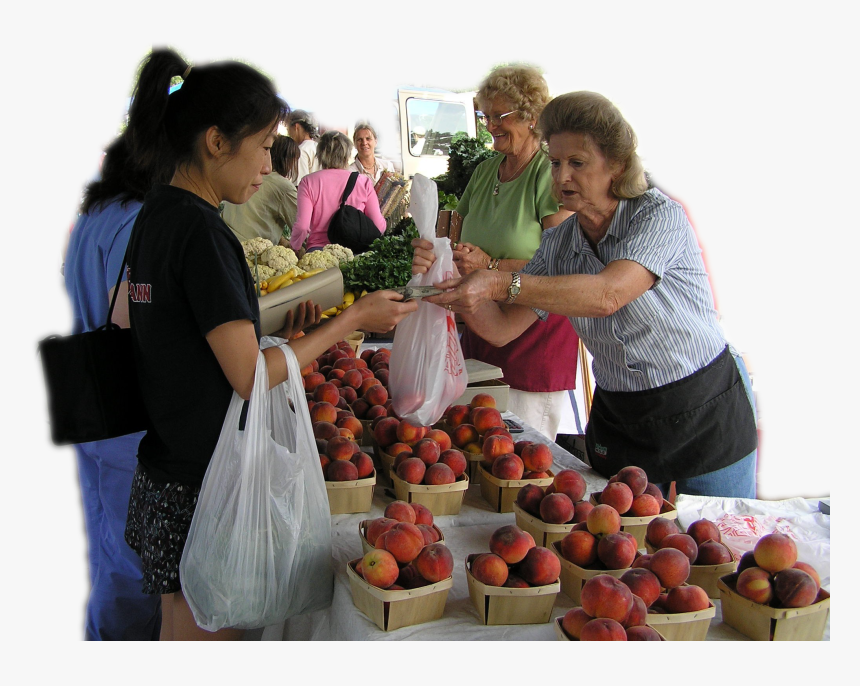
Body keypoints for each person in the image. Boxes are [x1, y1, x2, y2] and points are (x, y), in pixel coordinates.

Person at [122, 49, 418, 641]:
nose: (268, 165)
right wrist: (353, 316)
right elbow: (247, 377)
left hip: (165, 470)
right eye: (261, 146)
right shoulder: (205, 233)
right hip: (208, 484)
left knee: (178, 629)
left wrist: (272, 331)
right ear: (214, 142)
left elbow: (169, 333)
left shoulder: (157, 214)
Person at [413, 91, 758, 499]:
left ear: (616, 164)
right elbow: (503, 328)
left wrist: (496, 281)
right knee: (628, 547)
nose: (561, 177)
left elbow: (608, 294)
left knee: (719, 544)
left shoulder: (656, 215)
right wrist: (451, 281)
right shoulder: (559, 244)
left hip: (702, 406)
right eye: (555, 162)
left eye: (577, 163)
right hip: (624, 415)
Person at [63, 130, 167, 641]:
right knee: (132, 561)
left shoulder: (95, 216)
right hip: (124, 413)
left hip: (91, 402)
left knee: (110, 547)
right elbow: (131, 318)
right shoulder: (135, 222)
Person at [447, 65, 579, 440]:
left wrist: (490, 266)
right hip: (480, 328)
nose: (490, 125)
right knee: (474, 445)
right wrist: (439, 246)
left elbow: (562, 261)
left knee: (522, 455)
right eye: (484, 115)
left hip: (533, 337)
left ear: (531, 116)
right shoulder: (486, 171)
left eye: (499, 116)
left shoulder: (548, 174)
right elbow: (452, 228)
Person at [290, 130, 386, 253]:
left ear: (319, 155)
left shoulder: (308, 182)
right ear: (347, 155)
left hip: (319, 254)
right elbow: (378, 226)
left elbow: (302, 226)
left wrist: (295, 247)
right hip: (354, 253)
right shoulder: (363, 182)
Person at [221, 134, 299, 246]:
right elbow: (301, 227)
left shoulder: (246, 175)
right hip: (251, 253)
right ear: (290, 160)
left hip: (226, 241)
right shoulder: (283, 187)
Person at [286, 109, 320, 182]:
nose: (288, 133)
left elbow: (299, 183)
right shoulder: (318, 146)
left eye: (288, 128)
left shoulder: (301, 150)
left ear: (296, 127)